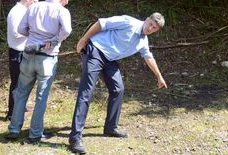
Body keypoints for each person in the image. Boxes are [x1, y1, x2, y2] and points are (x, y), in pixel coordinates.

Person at [68, 13, 168, 154]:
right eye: (151, 24)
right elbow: (101, 23)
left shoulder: (143, 41)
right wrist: (83, 40)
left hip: (109, 59)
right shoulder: (129, 22)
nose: (150, 28)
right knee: (86, 92)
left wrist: (159, 76)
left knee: (118, 89)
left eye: (154, 28)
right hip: (95, 50)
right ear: (146, 19)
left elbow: (148, 57)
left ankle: (110, 128)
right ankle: (75, 138)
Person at [6, 0, 73, 143]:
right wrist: (54, 41)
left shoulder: (34, 7)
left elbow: (21, 29)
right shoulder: (62, 11)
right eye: (68, 0)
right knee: (41, 97)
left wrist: (34, 36)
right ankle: (35, 134)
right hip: (47, 58)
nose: (67, 3)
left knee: (22, 92)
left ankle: (14, 129)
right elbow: (68, 30)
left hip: (28, 54)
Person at [6, 0, 39, 121]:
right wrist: (33, 34)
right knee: (16, 83)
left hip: (23, 51)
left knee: (23, 82)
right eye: (35, 2)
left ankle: (20, 107)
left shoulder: (23, 11)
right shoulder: (16, 12)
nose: (35, 5)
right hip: (17, 52)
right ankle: (12, 113)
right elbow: (16, 33)